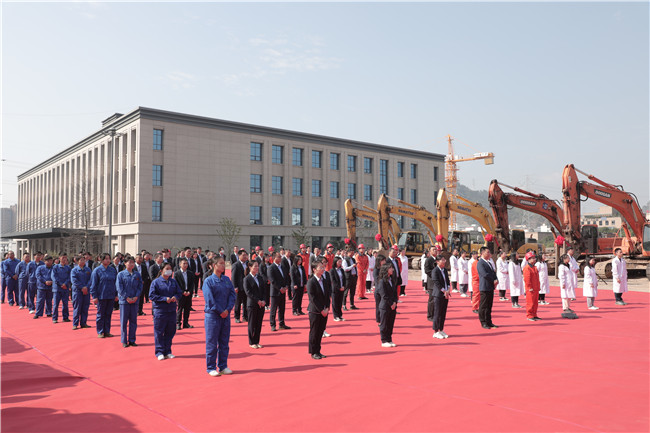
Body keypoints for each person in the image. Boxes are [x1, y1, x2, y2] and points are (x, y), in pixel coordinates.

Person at [203, 257, 236, 376]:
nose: (223, 266)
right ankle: (211, 367)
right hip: (213, 316)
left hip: (225, 315)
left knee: (224, 342)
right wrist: (220, 311)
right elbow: (209, 300)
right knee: (212, 343)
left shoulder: (226, 280)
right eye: (221, 263)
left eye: (224, 263)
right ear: (214, 265)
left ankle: (223, 365)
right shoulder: (208, 281)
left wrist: (227, 309)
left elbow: (232, 295)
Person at [150, 263, 182, 360]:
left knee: (170, 331)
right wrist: (164, 299)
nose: (169, 270)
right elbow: (152, 295)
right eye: (167, 268)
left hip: (171, 310)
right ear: (161, 270)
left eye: (170, 269)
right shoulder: (156, 282)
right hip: (160, 310)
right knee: (159, 331)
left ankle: (168, 351)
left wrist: (175, 297)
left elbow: (179, 292)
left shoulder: (173, 281)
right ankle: (159, 351)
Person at [116, 257, 143, 347]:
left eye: (133, 262)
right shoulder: (121, 274)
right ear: (125, 263)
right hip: (124, 301)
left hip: (134, 300)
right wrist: (126, 297)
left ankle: (132, 340)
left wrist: (136, 296)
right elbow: (119, 288)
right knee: (124, 322)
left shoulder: (137, 274)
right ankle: (124, 340)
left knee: (133, 321)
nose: (131, 264)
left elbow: (140, 286)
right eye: (129, 262)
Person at [90, 253, 119, 338]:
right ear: (101, 260)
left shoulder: (112, 270)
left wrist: (116, 294)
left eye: (109, 258)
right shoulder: (97, 270)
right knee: (101, 314)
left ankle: (107, 331)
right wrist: (94, 296)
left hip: (111, 295)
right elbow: (93, 284)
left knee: (108, 314)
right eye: (106, 259)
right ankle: (100, 331)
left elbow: (116, 283)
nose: (108, 260)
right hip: (101, 296)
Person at [306, 262, 331, 359]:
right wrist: (321, 310)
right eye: (320, 267)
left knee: (320, 331)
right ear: (314, 269)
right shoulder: (311, 282)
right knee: (314, 332)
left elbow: (327, 295)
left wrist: (327, 307)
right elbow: (313, 298)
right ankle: (313, 352)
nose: (323, 269)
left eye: (323, 267)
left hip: (324, 310)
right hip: (315, 311)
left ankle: (318, 350)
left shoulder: (324, 280)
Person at [243, 260, 268, 349]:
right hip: (252, 304)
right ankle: (251, 342)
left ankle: (257, 341)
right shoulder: (247, 279)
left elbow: (264, 290)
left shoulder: (260, 278)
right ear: (250, 267)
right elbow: (248, 292)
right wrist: (258, 301)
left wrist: (264, 300)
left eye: (257, 266)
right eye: (255, 266)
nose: (257, 268)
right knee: (252, 323)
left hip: (261, 304)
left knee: (259, 323)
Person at [267, 252, 291, 331]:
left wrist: (286, 286)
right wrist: (280, 288)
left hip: (283, 291)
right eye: (279, 257)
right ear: (274, 258)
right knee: (273, 309)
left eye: (280, 257)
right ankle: (272, 324)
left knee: (282, 308)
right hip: (275, 292)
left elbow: (286, 277)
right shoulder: (271, 268)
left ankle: (282, 323)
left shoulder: (283, 267)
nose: (280, 258)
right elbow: (272, 280)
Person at [376, 263, 398, 347]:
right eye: (390, 268)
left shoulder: (391, 280)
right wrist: (391, 303)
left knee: (390, 324)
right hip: (385, 306)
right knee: (384, 324)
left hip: (393, 305)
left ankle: (389, 339)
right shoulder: (382, 281)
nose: (392, 269)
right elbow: (383, 295)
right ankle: (384, 340)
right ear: (386, 270)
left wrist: (395, 302)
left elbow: (395, 293)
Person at [429, 255, 451, 339]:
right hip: (438, 294)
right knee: (437, 313)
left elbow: (447, 280)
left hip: (445, 294)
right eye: (442, 260)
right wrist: (444, 291)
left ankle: (441, 329)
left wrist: (448, 289)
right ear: (437, 261)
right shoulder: (435, 271)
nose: (444, 261)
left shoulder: (444, 270)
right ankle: (436, 331)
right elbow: (436, 282)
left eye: (444, 259)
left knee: (443, 313)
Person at [477, 247, 499, 329]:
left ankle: (489, 321)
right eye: (488, 252)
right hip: (485, 286)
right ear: (482, 253)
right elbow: (484, 274)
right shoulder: (480, 263)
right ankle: (483, 322)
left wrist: (496, 279)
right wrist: (493, 280)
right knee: (483, 305)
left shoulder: (489, 262)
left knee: (489, 305)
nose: (489, 254)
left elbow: (493, 272)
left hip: (490, 286)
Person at [70, 255, 92, 330]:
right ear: (77, 261)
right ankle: (75, 324)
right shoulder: (74, 270)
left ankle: (83, 323)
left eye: (84, 260)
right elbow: (74, 281)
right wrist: (82, 287)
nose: (83, 262)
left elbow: (90, 280)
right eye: (81, 260)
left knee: (85, 307)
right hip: (77, 291)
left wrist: (86, 287)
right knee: (77, 308)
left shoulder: (88, 269)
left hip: (86, 291)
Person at [174, 258, 195, 330]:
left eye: (186, 263)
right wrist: (182, 292)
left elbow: (192, 284)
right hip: (180, 294)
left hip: (188, 293)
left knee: (187, 308)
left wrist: (189, 291)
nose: (185, 265)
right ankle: (178, 323)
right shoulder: (177, 274)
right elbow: (176, 285)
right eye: (184, 263)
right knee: (180, 309)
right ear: (180, 264)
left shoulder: (190, 273)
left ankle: (186, 323)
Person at [52, 254, 72, 324]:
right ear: (59, 258)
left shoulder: (68, 268)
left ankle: (65, 317)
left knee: (65, 303)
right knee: (56, 304)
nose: (64, 259)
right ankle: (55, 318)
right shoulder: (55, 267)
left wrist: (65, 284)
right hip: (57, 288)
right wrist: (60, 284)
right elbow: (54, 277)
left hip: (65, 288)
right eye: (63, 258)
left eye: (65, 258)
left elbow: (70, 277)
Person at [34, 255, 55, 319]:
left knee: (49, 300)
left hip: (50, 286)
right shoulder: (40, 268)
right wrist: (45, 281)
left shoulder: (54, 268)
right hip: (41, 286)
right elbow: (38, 275)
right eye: (47, 261)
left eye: (50, 261)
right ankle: (38, 313)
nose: (49, 262)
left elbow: (56, 276)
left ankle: (49, 312)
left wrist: (52, 281)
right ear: (44, 261)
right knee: (40, 300)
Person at [522, 252, 541, 321]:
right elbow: (527, 279)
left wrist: (538, 286)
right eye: (532, 258)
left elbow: (537, 278)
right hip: (530, 289)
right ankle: (530, 315)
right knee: (530, 303)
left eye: (534, 258)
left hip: (535, 288)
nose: (534, 259)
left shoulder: (534, 267)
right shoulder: (527, 268)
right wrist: (529, 287)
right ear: (528, 259)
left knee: (535, 303)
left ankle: (534, 314)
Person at [231, 250, 248, 323]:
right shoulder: (236, 265)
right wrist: (235, 287)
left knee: (246, 303)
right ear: (239, 256)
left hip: (246, 287)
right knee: (238, 303)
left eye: (246, 255)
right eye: (243, 255)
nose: (245, 256)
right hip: (239, 287)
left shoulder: (247, 264)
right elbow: (233, 277)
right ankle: (237, 317)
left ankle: (245, 316)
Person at [329, 257, 346, 321]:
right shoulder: (332, 270)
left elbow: (344, 279)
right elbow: (333, 281)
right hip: (335, 289)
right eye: (339, 261)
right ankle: (336, 316)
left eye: (341, 261)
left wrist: (343, 286)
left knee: (340, 302)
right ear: (335, 262)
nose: (340, 263)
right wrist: (339, 287)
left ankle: (340, 315)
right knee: (335, 303)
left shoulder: (341, 270)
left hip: (342, 288)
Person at [423, 247, 437, 322]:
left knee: (437, 300)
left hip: (438, 283)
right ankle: (430, 315)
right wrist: (435, 274)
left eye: (436, 249)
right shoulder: (428, 260)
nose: (435, 251)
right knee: (431, 300)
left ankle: (435, 314)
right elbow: (427, 270)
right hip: (431, 282)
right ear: (430, 252)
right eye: (433, 250)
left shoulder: (438, 259)